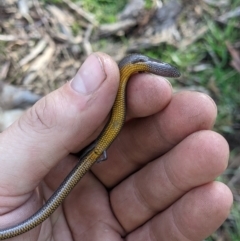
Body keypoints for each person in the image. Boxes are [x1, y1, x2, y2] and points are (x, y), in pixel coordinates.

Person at [0, 52, 232, 240]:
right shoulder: (133, 66)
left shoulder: (137, 68)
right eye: (167, 72)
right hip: (96, 151)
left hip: (99, 150)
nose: (170, 74)